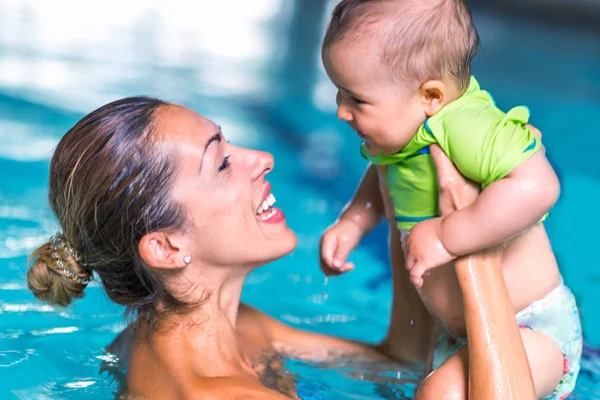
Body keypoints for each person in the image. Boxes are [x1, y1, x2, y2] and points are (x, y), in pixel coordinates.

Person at [27, 97, 535, 399]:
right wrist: (475, 249)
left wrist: (406, 205)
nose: (264, 158)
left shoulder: (228, 325)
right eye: (221, 163)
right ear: (165, 246)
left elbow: (400, 362)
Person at [319, 0, 582, 398]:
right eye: (339, 93)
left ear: (431, 96)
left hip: (531, 329)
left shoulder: (468, 126)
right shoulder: (404, 129)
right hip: (457, 335)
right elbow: (385, 170)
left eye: (355, 99)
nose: (341, 111)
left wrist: (446, 235)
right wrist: (355, 219)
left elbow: (539, 186)